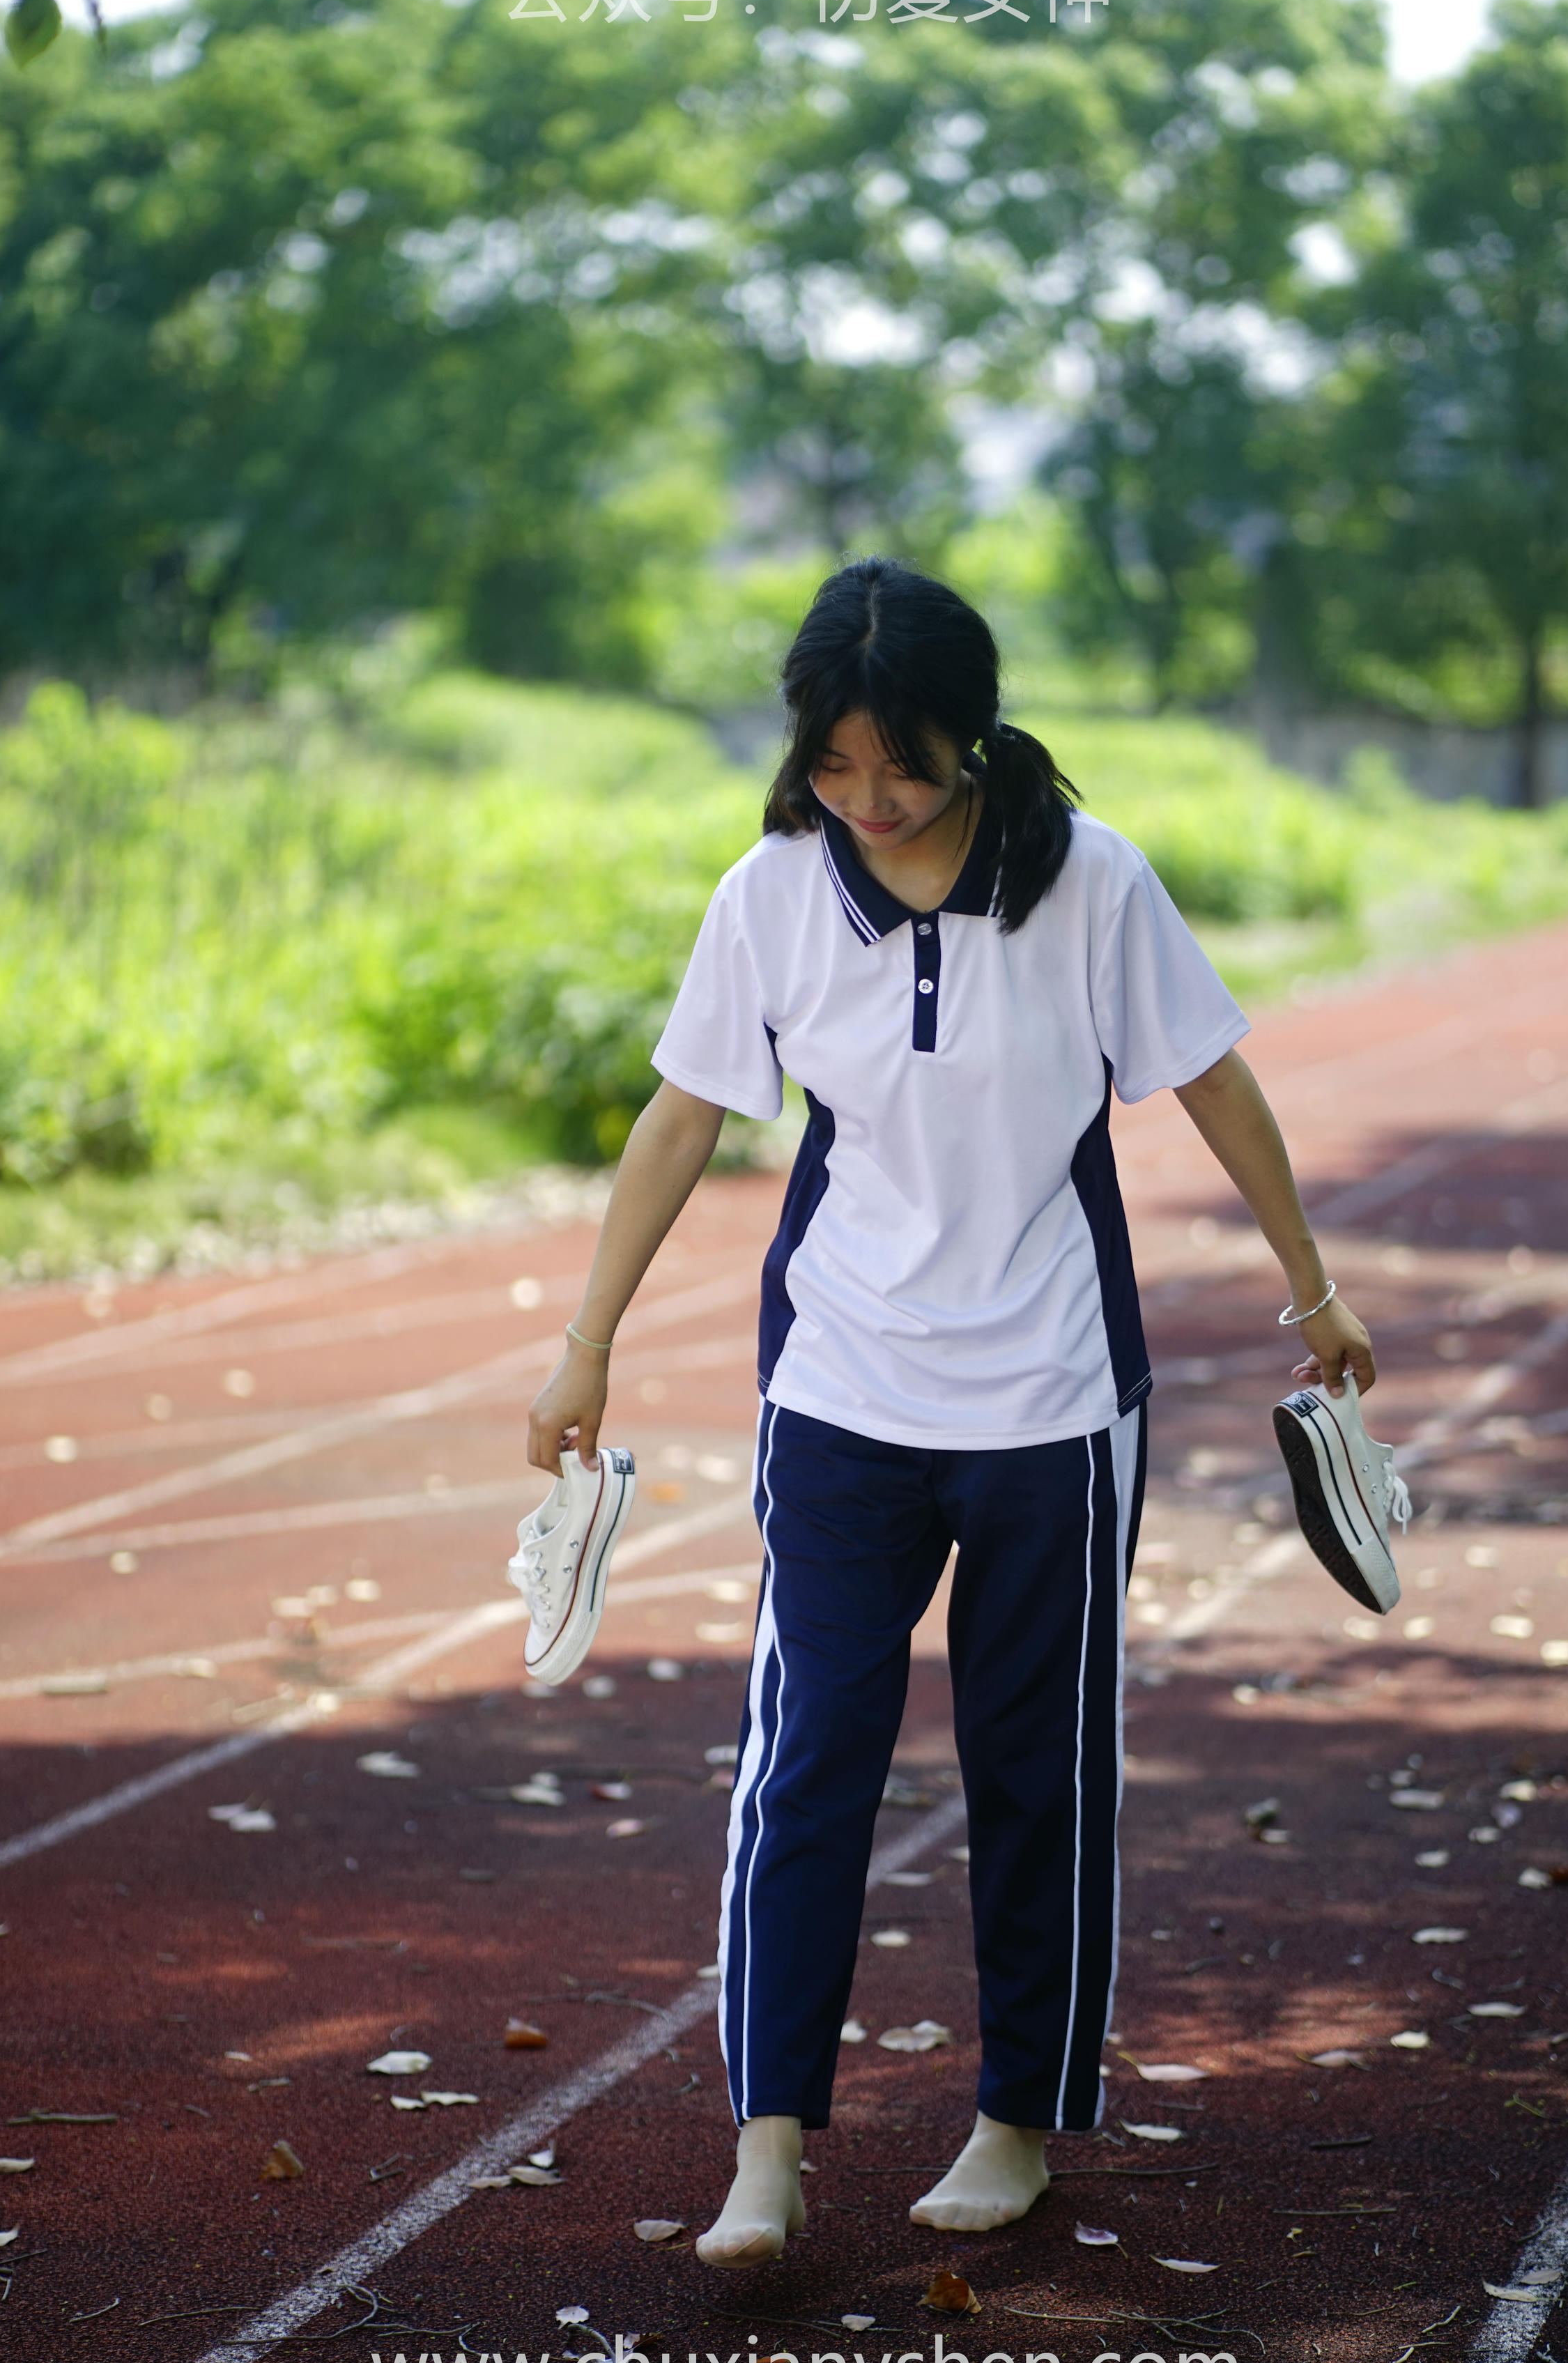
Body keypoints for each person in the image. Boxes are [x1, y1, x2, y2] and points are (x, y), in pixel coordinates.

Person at [525, 557, 1376, 2270]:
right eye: (834, 764)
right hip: (840, 1388)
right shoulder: (771, 892)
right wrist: (584, 1341)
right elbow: (685, 1115)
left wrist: (1311, 1286)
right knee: (805, 1759)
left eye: (901, 765)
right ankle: (766, 2144)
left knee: (1035, 1766)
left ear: (970, 736)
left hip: (1053, 1398)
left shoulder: (1091, 881)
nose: (868, 798)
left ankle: (1016, 2118)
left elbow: (1213, 1080)